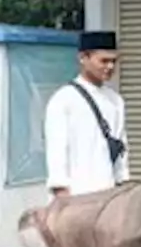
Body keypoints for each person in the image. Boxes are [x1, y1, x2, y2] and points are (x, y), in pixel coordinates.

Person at [44, 30, 130, 199]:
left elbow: (121, 149)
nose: (110, 67)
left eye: (114, 61)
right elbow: (57, 151)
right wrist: (62, 193)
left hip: (108, 197)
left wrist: (123, 184)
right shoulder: (63, 100)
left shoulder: (115, 101)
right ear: (83, 58)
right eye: (104, 61)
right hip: (76, 197)